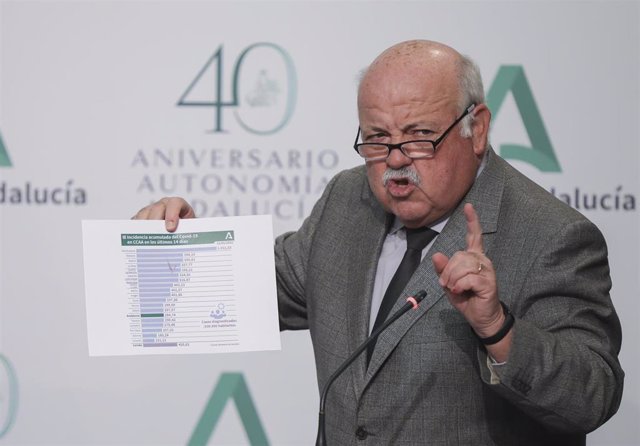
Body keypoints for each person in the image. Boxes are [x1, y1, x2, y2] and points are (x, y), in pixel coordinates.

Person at [134, 40, 623, 445]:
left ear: (477, 129)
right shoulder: (349, 200)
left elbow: (592, 397)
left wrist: (497, 327)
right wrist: (175, 249)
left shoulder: (552, 235)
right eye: (376, 138)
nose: (395, 161)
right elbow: (263, 290)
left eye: (419, 136)